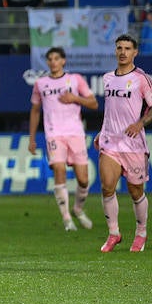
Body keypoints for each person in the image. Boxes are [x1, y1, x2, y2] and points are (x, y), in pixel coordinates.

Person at [95, 33, 152, 253]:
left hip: (133, 144)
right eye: (119, 48)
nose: (122, 52)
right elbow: (112, 111)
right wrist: (101, 131)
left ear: (135, 52)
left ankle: (141, 233)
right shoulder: (107, 78)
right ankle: (114, 233)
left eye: (127, 48)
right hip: (110, 142)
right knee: (107, 187)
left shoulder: (141, 78)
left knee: (135, 191)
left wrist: (140, 123)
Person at [29, 47, 98, 231]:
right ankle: (67, 218)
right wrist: (32, 138)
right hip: (54, 133)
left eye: (56, 58)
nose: (53, 61)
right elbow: (35, 111)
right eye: (50, 58)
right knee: (59, 169)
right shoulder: (41, 83)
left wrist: (75, 98)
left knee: (83, 180)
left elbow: (94, 103)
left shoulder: (75, 79)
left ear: (63, 61)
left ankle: (77, 209)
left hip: (75, 133)